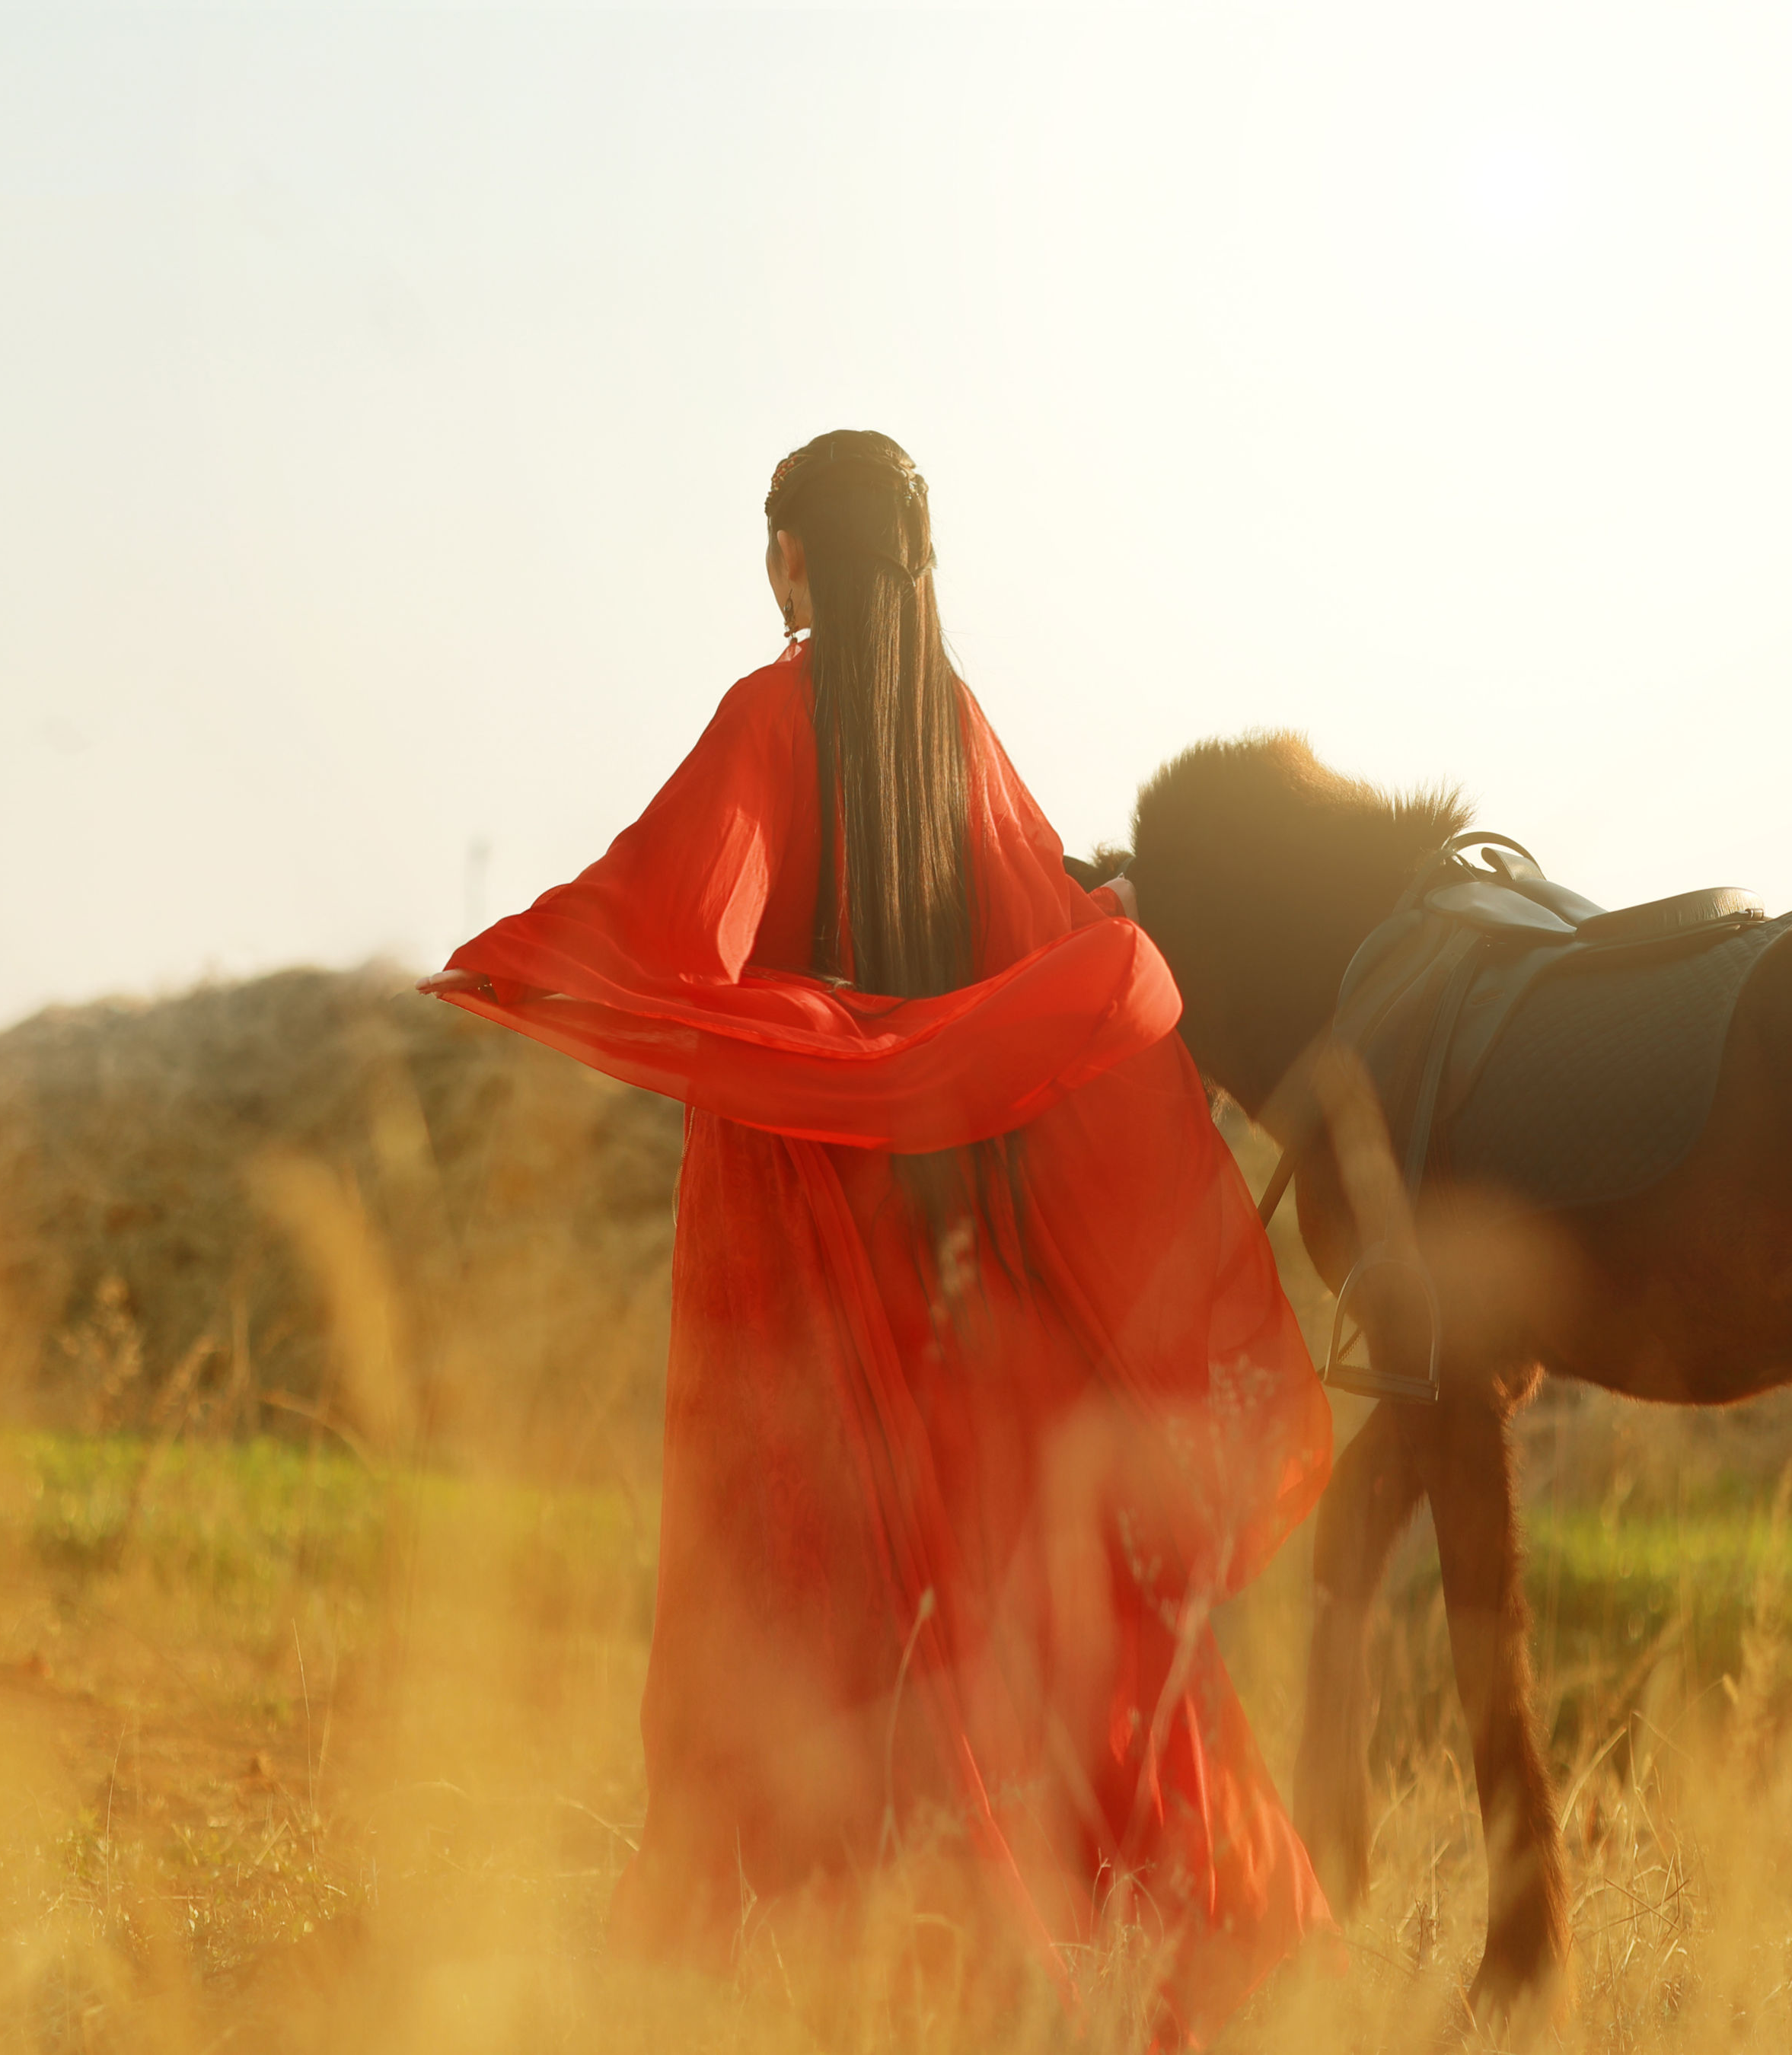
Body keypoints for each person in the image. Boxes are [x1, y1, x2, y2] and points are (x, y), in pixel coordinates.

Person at [421, 430, 1332, 2040]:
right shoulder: (957, 730)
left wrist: (550, 972)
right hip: (960, 1224)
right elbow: (1060, 957)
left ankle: (788, 1925)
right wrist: (953, 1044)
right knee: (984, 1581)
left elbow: (676, 930)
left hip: (795, 1209)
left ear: (789, 561)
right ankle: (1030, 1921)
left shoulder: (773, 714)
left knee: (787, 1558)